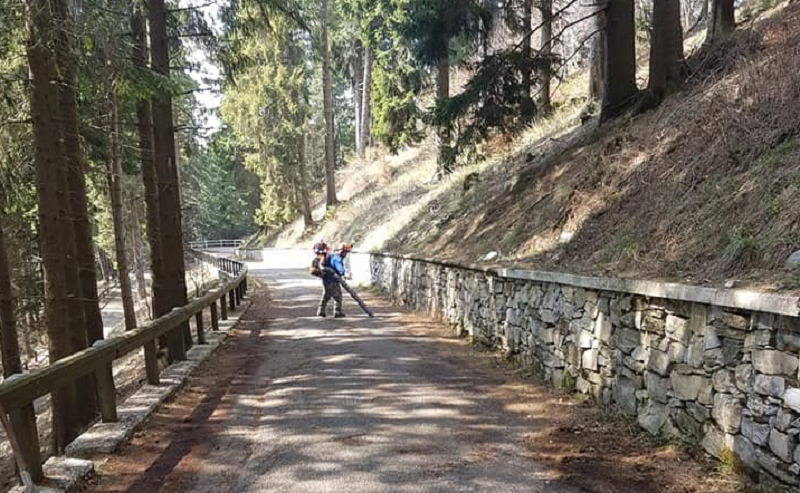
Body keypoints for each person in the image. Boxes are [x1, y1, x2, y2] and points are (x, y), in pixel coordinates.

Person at [317, 243, 352, 318]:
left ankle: (321, 311)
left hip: (325, 279)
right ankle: (337, 312)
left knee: (326, 295)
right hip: (332, 280)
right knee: (338, 296)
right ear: (343, 252)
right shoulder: (337, 258)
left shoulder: (332, 255)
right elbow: (340, 269)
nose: (346, 254)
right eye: (346, 252)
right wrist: (343, 275)